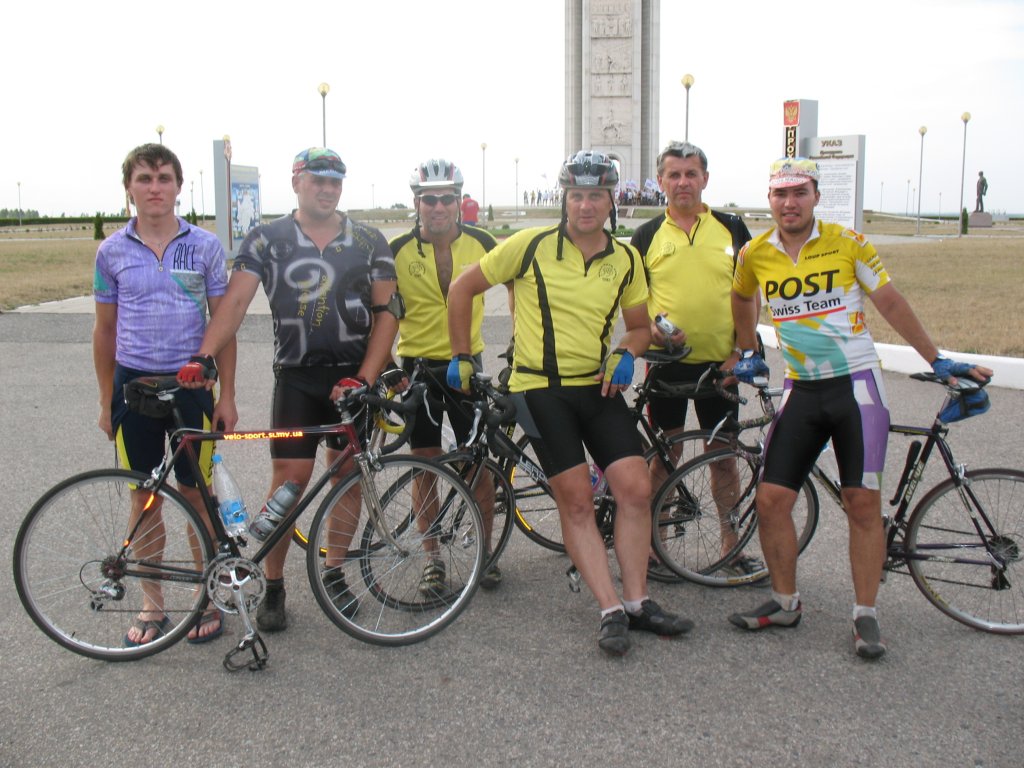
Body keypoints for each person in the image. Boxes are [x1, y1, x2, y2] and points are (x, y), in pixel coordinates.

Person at [728, 157, 993, 659]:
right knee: (771, 500)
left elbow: (889, 301)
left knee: (862, 505)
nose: (790, 203)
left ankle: (865, 614)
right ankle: (784, 603)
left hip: (857, 389)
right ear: (770, 199)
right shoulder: (754, 253)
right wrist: (746, 350)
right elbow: (742, 298)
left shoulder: (848, 242)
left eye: (800, 193)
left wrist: (936, 360)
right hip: (802, 390)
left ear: (816, 196)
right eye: (781, 194)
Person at [447, 150, 692, 656]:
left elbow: (640, 327)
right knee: (577, 499)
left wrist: (626, 352)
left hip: (596, 387)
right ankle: (609, 609)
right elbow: (462, 288)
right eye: (576, 195)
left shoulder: (625, 259)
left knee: (635, 489)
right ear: (565, 198)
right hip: (539, 389)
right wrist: (461, 356)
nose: (585, 205)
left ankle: (638, 602)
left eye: (596, 195)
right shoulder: (531, 245)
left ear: (611, 200)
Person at [178, 147, 399, 632]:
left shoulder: (369, 239)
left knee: (347, 475)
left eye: (335, 181)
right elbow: (235, 303)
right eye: (317, 180)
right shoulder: (267, 238)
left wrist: (365, 377)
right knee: (289, 483)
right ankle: (274, 583)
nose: (327, 189)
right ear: (297, 182)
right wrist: (205, 355)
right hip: (297, 377)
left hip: (351, 378)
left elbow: (388, 314)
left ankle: (334, 572)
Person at [93, 142, 238, 646]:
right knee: (145, 497)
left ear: (178, 186)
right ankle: (153, 604)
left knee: (199, 496)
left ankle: (205, 595)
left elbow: (224, 325)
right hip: (133, 388)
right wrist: (105, 399)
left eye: (163, 178)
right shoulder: (111, 251)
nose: (154, 188)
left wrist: (227, 396)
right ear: (129, 188)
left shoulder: (205, 246)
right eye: (144, 178)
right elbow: (104, 331)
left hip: (192, 387)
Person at [629, 140, 758, 574]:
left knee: (723, 456)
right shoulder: (646, 235)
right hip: (667, 364)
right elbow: (635, 301)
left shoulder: (731, 227)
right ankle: (655, 548)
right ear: (660, 181)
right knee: (665, 457)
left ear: (705, 178)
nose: (683, 182)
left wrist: (742, 351)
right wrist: (654, 331)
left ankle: (731, 546)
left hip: (721, 366)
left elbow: (750, 294)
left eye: (691, 174)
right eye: (674, 174)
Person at [390, 159, 503, 590]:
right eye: (429, 199)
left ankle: (485, 553)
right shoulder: (397, 249)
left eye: (446, 198)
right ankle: (432, 559)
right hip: (417, 368)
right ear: (416, 202)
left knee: (476, 464)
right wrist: (385, 367)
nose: (438, 207)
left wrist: (520, 342)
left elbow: (519, 286)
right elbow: (380, 311)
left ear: (459, 201)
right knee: (425, 464)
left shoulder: (483, 241)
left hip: (466, 364)